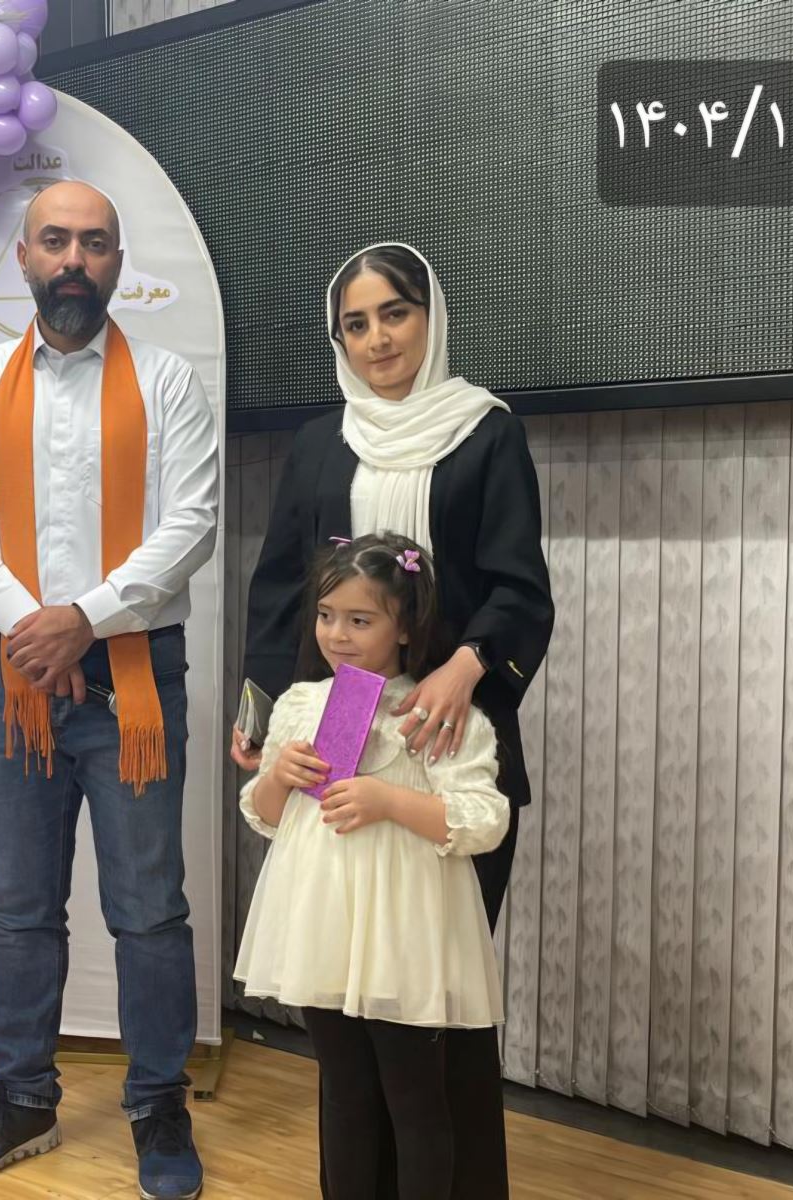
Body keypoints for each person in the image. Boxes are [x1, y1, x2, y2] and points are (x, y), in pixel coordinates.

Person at [0, 180, 219, 1199]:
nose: (74, 261)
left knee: (149, 910)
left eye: (94, 244)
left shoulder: (167, 382)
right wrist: (32, 627)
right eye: (56, 241)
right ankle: (21, 1098)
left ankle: (159, 1103)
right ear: (23, 258)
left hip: (132, 676)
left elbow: (192, 524)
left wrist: (82, 619)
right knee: (21, 906)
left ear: (118, 263)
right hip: (14, 676)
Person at [236, 242, 553, 1197]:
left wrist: (465, 666)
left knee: (434, 1016)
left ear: (431, 316)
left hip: (447, 740)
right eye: (356, 323)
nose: (378, 339)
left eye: (395, 313)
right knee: (345, 1017)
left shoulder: (485, 432)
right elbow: (281, 591)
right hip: (339, 735)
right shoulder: (318, 444)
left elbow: (521, 588)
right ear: (337, 338)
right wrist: (261, 713)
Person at [235, 532, 509, 1198]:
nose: (338, 634)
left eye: (361, 620)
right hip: (325, 925)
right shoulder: (301, 704)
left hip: (406, 932)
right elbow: (264, 814)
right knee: (344, 1092)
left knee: (416, 1101)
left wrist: (389, 801)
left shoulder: (437, 714)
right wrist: (280, 776)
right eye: (327, 615)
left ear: (406, 626)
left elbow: (484, 820)